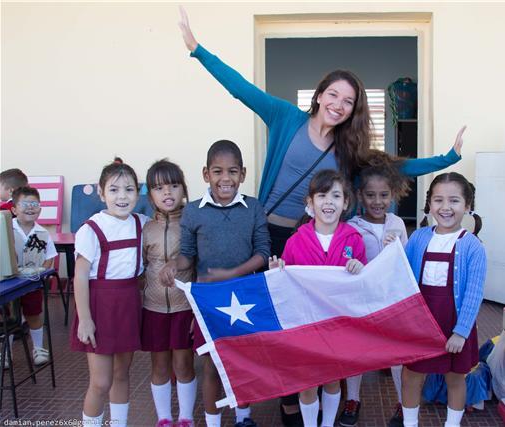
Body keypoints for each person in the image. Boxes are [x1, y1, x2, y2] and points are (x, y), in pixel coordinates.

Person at [178, 8, 465, 422]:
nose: (339, 105)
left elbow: (396, 167)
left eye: (348, 102)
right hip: (266, 236)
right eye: (334, 95)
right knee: (265, 322)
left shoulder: (349, 151)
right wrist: (197, 50)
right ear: (318, 95)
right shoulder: (284, 117)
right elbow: (240, 88)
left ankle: (306, 399)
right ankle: (285, 400)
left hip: (312, 243)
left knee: (303, 324)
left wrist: (447, 158)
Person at [159, 140, 270, 427]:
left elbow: (262, 253)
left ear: (243, 174)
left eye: (232, 171)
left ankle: (244, 419)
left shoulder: (254, 208)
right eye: (218, 171)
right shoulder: (194, 211)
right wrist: (174, 265)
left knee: (243, 363)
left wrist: (230, 274)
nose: (226, 179)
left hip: (244, 297)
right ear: (206, 174)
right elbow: (187, 256)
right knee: (211, 365)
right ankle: (212, 422)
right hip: (209, 302)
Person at [269, 169, 367, 427]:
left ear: (345, 203)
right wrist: (277, 271)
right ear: (310, 203)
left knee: (333, 379)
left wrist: (359, 268)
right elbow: (285, 284)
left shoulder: (354, 239)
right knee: (308, 383)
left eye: (335, 195)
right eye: (322, 195)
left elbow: (363, 284)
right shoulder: (295, 241)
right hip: (306, 324)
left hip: (338, 323)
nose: (328, 202)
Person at [401, 172, 486, 427]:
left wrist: (461, 332)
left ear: (468, 206)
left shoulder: (473, 246)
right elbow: (401, 275)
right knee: (411, 375)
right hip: (421, 322)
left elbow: (473, 293)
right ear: (429, 204)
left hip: (455, 323)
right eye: (438, 200)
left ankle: (452, 424)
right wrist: (389, 251)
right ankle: (409, 423)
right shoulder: (418, 238)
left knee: (455, 378)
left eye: (454, 201)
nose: (445, 208)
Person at [70, 158, 149, 426]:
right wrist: (85, 319)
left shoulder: (142, 223)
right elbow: (79, 276)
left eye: (128, 189)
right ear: (101, 193)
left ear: (138, 194)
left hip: (127, 304)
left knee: (122, 374)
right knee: (101, 382)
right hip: (99, 307)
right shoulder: (91, 228)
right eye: (114, 190)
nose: (122, 196)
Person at [340, 160, 410, 427]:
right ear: (360, 196)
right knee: (356, 351)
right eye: (370, 195)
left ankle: (404, 403)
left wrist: (398, 249)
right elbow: (347, 262)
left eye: (383, 195)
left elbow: (405, 264)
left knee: (396, 356)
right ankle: (353, 399)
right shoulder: (352, 227)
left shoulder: (398, 224)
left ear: (392, 195)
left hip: (391, 301)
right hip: (361, 300)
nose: (377, 201)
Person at [141, 160, 196, 427]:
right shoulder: (145, 228)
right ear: (150, 194)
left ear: (183, 189)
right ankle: (164, 417)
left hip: (184, 307)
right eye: (159, 187)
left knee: (184, 364)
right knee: (160, 365)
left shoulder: (192, 222)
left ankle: (185, 417)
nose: (168, 193)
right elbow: (139, 269)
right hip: (153, 308)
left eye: (174, 185)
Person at [10, 186, 58, 365]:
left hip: (31, 283)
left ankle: (38, 348)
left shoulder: (43, 233)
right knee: (7, 318)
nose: (30, 207)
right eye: (25, 203)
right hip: (9, 282)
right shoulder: (6, 228)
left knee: (34, 313)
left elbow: (50, 258)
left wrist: (41, 273)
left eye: (34, 204)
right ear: (14, 209)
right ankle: (6, 353)